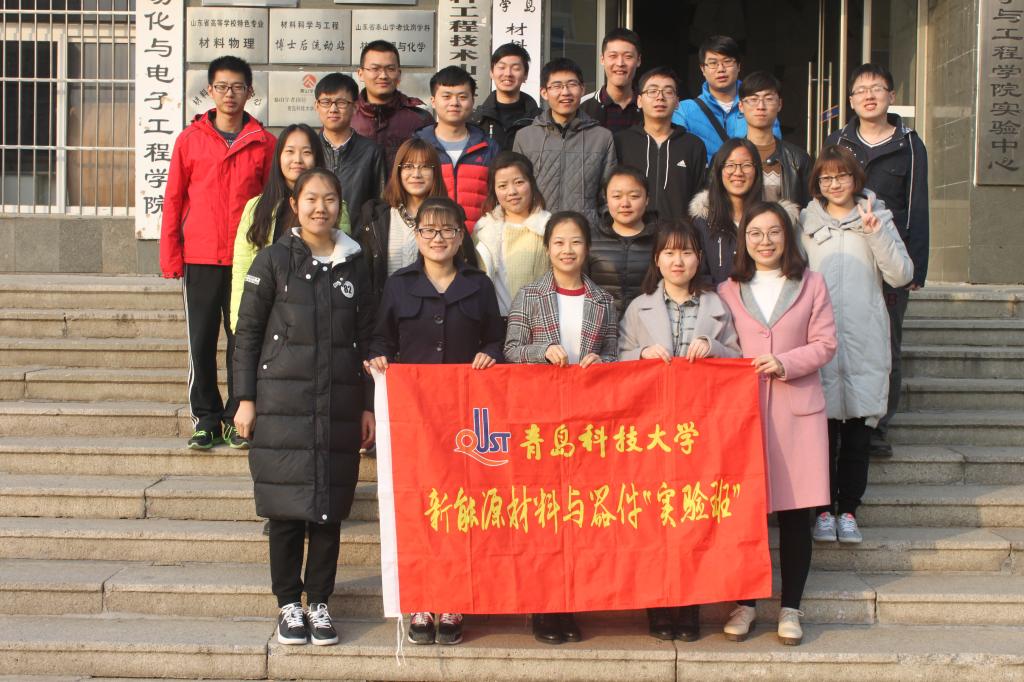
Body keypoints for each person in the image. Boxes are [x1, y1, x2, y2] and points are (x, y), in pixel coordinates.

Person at [232, 168, 376, 648]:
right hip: (281, 402)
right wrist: (245, 399)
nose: (320, 208)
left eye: (330, 199)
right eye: (311, 198)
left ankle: (320, 603)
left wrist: (367, 406)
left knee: (329, 511)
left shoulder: (355, 263)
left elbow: (368, 338)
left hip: (339, 402)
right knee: (286, 512)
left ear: (340, 206)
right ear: (294, 205)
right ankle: (288, 604)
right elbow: (247, 333)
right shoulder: (274, 260)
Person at [365, 196, 504, 646]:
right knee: (420, 508)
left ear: (461, 237)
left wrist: (491, 354)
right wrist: (377, 358)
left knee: (461, 508)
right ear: (417, 235)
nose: (438, 238)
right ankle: (422, 599)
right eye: (429, 230)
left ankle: (454, 599)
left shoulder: (478, 285)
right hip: (416, 420)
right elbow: (380, 338)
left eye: (447, 230)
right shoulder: (399, 285)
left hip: (466, 420)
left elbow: (496, 338)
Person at [718, 201, 837, 646]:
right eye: (755, 233)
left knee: (794, 515)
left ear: (787, 236)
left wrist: (785, 362)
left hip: (797, 414)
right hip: (743, 414)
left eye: (773, 232)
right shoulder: (728, 288)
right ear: (743, 240)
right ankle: (745, 604)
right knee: (745, 514)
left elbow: (826, 343)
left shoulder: (812, 283)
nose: (764, 241)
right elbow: (722, 343)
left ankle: (791, 608)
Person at [617, 218, 740, 643]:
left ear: (699, 258)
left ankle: (688, 607)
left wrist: (716, 348)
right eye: (669, 252)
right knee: (654, 520)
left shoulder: (717, 305)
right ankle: (658, 606)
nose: (678, 260)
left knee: (693, 518)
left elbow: (739, 359)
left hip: (701, 431)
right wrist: (640, 355)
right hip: (651, 431)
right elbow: (617, 360)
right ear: (657, 259)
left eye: (686, 252)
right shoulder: (639, 307)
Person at [504, 210, 618, 646]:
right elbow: (511, 349)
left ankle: (570, 605)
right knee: (544, 518)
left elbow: (615, 355)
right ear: (547, 248)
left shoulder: (604, 301)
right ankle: (544, 608)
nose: (567, 250)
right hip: (540, 423)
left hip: (587, 425)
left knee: (579, 519)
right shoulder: (529, 295)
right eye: (559, 242)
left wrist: (601, 362)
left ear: (587, 248)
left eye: (575, 242)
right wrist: (542, 350)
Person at [160, 55, 276, 450]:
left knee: (244, 338)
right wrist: (171, 256)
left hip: (248, 257)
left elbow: (272, 201)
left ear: (249, 92)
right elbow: (174, 200)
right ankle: (205, 419)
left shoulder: (264, 142)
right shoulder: (190, 140)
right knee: (202, 341)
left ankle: (235, 417)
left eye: (238, 87)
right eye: (222, 87)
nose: (230, 94)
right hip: (201, 256)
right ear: (210, 91)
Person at [801, 145, 913, 545]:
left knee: (857, 437)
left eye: (842, 176)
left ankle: (848, 510)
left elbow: (901, 275)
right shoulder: (805, 223)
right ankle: (822, 512)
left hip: (865, 340)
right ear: (817, 183)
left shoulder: (877, 216)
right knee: (821, 437)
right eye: (826, 178)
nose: (834, 184)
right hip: (820, 342)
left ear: (855, 179)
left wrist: (875, 232)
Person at [826, 63, 929, 458]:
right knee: (840, 338)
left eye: (877, 88)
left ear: (891, 96)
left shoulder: (909, 144)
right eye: (861, 90)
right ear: (851, 101)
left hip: (890, 257)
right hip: (844, 257)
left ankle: (877, 426)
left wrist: (916, 265)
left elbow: (918, 207)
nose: (869, 96)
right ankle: (838, 420)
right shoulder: (837, 141)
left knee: (887, 343)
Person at [230, 122, 344, 336]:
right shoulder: (256, 208)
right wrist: (240, 323)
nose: (297, 160)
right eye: (289, 151)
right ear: (278, 157)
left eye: (306, 152)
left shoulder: (336, 207)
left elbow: (343, 266)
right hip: (264, 318)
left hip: (315, 321)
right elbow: (242, 269)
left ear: (317, 158)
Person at [513, 58, 617, 227]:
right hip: (536, 233)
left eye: (572, 84)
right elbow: (517, 192)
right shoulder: (525, 137)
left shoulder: (602, 138)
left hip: (586, 235)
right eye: (557, 86)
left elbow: (609, 195)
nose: (565, 92)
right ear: (544, 92)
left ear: (582, 89)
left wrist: (601, 230)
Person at [689, 138, 797, 284]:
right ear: (719, 171)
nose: (738, 172)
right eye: (730, 165)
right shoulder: (702, 222)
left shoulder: (775, 220)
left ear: (757, 171)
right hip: (717, 298)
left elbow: (789, 267)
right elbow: (699, 276)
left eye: (746, 165)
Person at [356, 138, 449, 301]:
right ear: (398, 171)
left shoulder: (449, 217)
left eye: (425, 166)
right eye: (408, 166)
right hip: (385, 310)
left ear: (435, 172)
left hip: (433, 310)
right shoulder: (375, 217)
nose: (416, 174)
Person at [614, 66, 707, 222]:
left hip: (679, 235)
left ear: (677, 102)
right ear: (639, 101)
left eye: (668, 92)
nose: (660, 97)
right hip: (633, 233)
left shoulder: (693, 145)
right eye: (652, 91)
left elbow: (700, 197)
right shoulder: (621, 142)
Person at [415, 66, 500, 233]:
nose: (454, 103)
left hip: (479, 240)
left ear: (472, 101)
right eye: (446, 96)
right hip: (431, 239)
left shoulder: (488, 148)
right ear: (433, 101)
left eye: (462, 97)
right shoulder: (418, 146)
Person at [672, 35, 780, 164]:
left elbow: (772, 155)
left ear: (738, 66)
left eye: (727, 61)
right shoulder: (684, 111)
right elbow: (679, 159)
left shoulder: (760, 106)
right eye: (713, 63)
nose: (721, 69)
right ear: (703, 69)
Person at [473, 151, 551, 316]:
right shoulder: (483, 229)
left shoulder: (548, 228)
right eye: (502, 186)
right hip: (493, 323)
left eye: (519, 182)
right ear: (494, 191)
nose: (512, 191)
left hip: (536, 321)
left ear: (531, 183)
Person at [315, 72, 386, 226]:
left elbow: (380, 205)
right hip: (313, 236)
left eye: (341, 102)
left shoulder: (371, 152)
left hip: (358, 238)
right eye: (326, 102)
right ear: (317, 106)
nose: (333, 109)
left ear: (354, 107)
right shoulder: (310, 148)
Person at [352, 40, 434, 171]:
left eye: (390, 69)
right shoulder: (346, 116)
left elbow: (432, 166)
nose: (383, 76)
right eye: (375, 69)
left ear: (399, 74)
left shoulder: (420, 119)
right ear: (360, 74)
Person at [588, 165, 658, 316]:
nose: (625, 203)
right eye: (617, 196)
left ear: (647, 199)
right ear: (606, 199)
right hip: (601, 325)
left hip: (647, 325)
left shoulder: (662, 240)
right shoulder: (590, 240)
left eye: (634, 196)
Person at [738, 71, 812, 207]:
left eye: (768, 99)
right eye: (753, 99)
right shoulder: (727, 157)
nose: (761, 106)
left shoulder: (798, 159)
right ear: (741, 106)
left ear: (779, 104)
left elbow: (811, 210)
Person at [470, 43, 542, 150]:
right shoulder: (476, 120)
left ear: (525, 75)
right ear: (491, 72)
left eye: (516, 68)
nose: (508, 73)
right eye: (502, 67)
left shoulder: (539, 121)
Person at [580, 27, 643, 133]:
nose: (620, 63)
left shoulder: (651, 106)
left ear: (638, 60)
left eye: (628, 57)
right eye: (613, 56)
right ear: (602, 59)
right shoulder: (582, 107)